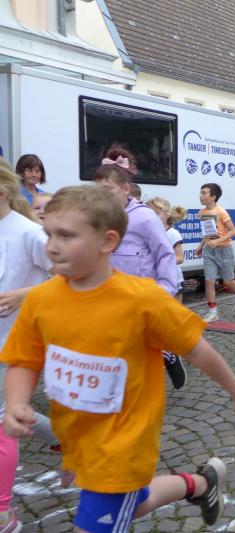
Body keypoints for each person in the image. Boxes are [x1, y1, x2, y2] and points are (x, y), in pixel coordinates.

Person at [1, 185, 235, 532]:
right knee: (135, 504)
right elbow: (24, 360)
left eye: (66, 235)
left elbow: (195, 347)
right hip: (79, 440)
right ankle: (200, 484)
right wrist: (17, 403)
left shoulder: (142, 300)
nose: (52, 246)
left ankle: (198, 484)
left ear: (107, 242)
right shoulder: (40, 300)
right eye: (48, 234)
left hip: (121, 448)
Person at [0, 161, 61, 532]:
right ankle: (66, 440)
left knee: (3, 423)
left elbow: (68, 274)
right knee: (12, 413)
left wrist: (24, 293)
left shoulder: (28, 233)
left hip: (15, 345)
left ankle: (3, 515)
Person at [95, 154, 187, 389]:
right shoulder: (101, 217)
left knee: (142, 343)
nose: (103, 196)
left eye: (108, 190)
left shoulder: (145, 218)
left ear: (126, 189)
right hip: (112, 294)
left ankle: (168, 355)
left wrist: (164, 289)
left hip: (143, 294)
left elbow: (165, 254)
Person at [196, 182, 235, 322]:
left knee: (228, 282)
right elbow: (208, 232)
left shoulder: (221, 212)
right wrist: (201, 246)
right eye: (201, 193)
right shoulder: (201, 213)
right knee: (209, 281)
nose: (200, 196)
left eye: (204, 193)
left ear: (213, 197)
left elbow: (233, 231)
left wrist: (218, 241)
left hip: (224, 250)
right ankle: (213, 312)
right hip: (209, 251)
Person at [145, 197, 188, 304]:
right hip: (156, 279)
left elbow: (180, 258)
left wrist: (161, 261)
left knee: (175, 310)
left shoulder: (172, 233)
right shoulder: (150, 233)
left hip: (173, 279)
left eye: (156, 213)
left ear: (167, 214)